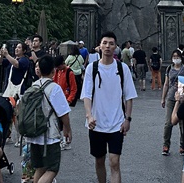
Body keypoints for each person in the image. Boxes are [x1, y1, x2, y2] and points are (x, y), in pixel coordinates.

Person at [81, 31, 137, 183]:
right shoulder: (91, 69)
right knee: (99, 161)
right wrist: (89, 115)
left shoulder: (122, 68)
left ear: (116, 47)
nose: (107, 46)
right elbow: (87, 95)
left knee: (114, 162)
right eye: (105, 43)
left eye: (111, 43)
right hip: (96, 123)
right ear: (99, 46)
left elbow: (129, 96)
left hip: (116, 123)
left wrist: (128, 119)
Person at [24, 55, 73, 183]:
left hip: (33, 133)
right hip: (49, 134)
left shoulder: (33, 86)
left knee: (40, 168)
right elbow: (63, 113)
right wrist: (67, 129)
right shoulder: (54, 88)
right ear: (53, 71)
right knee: (52, 168)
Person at [161, 49, 184, 155]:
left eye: (178, 56)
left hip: (183, 98)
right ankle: (166, 145)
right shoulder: (169, 68)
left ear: (181, 57)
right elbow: (166, 84)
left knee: (182, 123)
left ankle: (183, 145)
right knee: (168, 123)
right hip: (171, 97)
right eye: (174, 56)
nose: (176, 58)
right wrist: (163, 98)